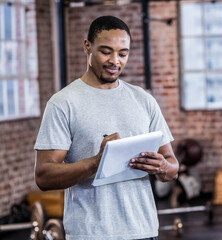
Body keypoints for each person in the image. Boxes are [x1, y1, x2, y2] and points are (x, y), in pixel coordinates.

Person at [34, 15, 179, 240]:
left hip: (144, 231)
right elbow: (44, 176)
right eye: (105, 51)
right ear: (87, 47)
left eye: (123, 54)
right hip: (90, 234)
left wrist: (161, 167)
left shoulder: (143, 99)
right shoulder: (63, 103)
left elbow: (172, 165)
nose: (115, 61)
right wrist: (95, 162)